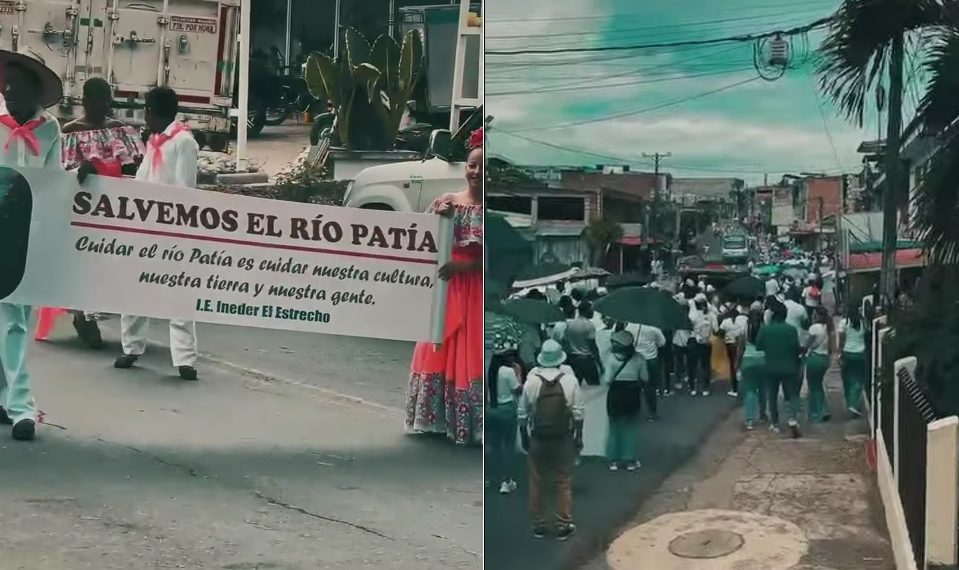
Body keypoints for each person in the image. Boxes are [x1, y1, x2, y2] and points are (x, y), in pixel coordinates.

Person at [34, 77, 146, 348]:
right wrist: (80, 173)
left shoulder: (119, 130)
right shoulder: (70, 132)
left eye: (105, 100)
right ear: (85, 101)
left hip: (113, 215)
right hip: (81, 215)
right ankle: (84, 318)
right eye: (96, 100)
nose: (101, 106)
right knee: (82, 265)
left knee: (109, 268)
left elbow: (134, 171)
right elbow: (59, 174)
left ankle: (100, 317)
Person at [0, 47, 71, 441]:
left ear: (34, 92)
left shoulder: (50, 131)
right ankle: (22, 405)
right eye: (5, 87)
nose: (8, 93)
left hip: (29, 233)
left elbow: (54, 181)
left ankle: (11, 400)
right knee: (8, 319)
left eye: (15, 88)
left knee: (17, 319)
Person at [112, 88, 200, 381]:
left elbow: (185, 190)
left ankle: (185, 357)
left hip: (171, 228)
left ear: (158, 112)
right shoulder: (153, 141)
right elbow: (142, 180)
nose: (145, 117)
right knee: (134, 286)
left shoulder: (184, 142)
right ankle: (132, 346)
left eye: (147, 110)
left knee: (178, 290)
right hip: (144, 225)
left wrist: (173, 226)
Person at [406, 128, 483, 444]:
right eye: (472, 165)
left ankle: (468, 422)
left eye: (483, 167)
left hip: (474, 288)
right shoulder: (447, 201)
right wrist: (439, 219)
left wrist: (464, 266)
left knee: (470, 350)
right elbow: (422, 242)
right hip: (445, 286)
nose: (476, 172)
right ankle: (435, 416)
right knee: (436, 344)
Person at [518, 339, 584, 540]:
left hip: (538, 438)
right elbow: (578, 414)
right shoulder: (570, 381)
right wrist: (578, 437)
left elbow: (522, 414)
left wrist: (525, 437)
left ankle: (539, 524)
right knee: (563, 481)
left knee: (537, 482)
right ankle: (563, 524)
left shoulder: (531, 381)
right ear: (559, 359)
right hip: (562, 437)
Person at [602, 330, 648, 471]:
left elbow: (607, 379)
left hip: (615, 393)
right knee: (630, 427)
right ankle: (629, 459)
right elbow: (645, 378)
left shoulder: (610, 359)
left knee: (614, 426)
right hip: (632, 394)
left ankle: (613, 460)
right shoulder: (639, 358)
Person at [756, 303, 802, 437]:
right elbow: (796, 347)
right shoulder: (791, 329)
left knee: (772, 396)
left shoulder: (765, 329)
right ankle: (792, 419)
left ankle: (775, 423)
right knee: (792, 395)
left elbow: (759, 346)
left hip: (770, 366)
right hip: (789, 367)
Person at [486, 347, 523, 495]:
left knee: (495, 446)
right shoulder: (508, 372)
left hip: (492, 409)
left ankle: (492, 476)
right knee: (508, 445)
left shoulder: (491, 370)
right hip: (507, 409)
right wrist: (519, 375)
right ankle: (506, 481)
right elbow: (517, 390)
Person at [625, 320, 666, 419]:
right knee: (650, 387)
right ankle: (652, 413)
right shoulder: (653, 328)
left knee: (634, 386)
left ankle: (632, 412)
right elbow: (662, 343)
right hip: (650, 360)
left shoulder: (629, 327)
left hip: (635, 360)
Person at [837, 305, 867, 418]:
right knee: (858, 380)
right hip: (860, 354)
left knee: (847, 379)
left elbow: (841, 339)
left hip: (847, 353)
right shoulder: (863, 322)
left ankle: (850, 402)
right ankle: (854, 404)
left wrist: (839, 354)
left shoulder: (844, 323)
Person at [563, 301, 601, 386]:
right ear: (586, 311)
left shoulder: (570, 324)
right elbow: (593, 346)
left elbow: (566, 341)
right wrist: (600, 364)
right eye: (591, 310)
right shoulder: (589, 325)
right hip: (586, 360)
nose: (593, 312)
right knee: (594, 387)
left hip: (573, 360)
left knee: (575, 387)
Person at [805, 307, 832, 423]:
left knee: (813, 387)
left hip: (814, 358)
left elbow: (807, 344)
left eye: (814, 314)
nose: (812, 316)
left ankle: (816, 413)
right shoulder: (827, 327)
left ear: (818, 316)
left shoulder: (814, 328)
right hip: (824, 359)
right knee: (819, 386)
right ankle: (824, 409)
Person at [740, 314, 765, 429]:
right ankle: (762, 415)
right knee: (763, 389)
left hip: (747, 360)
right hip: (762, 360)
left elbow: (740, 348)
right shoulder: (765, 330)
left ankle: (750, 420)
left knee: (750, 391)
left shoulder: (744, 329)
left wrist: (737, 364)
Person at [688, 293, 716, 396]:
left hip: (693, 340)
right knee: (705, 365)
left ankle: (692, 387)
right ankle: (705, 388)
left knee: (692, 365)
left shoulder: (691, 310)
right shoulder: (711, 312)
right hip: (706, 341)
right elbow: (715, 328)